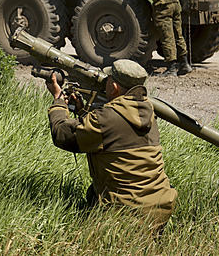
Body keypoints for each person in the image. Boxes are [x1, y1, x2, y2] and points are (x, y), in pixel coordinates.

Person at [45, 59, 178, 229]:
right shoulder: (147, 111)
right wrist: (82, 110)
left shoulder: (104, 120)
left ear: (114, 88)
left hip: (127, 213)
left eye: (107, 79)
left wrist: (58, 102)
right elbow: (113, 134)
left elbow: (62, 135)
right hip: (160, 206)